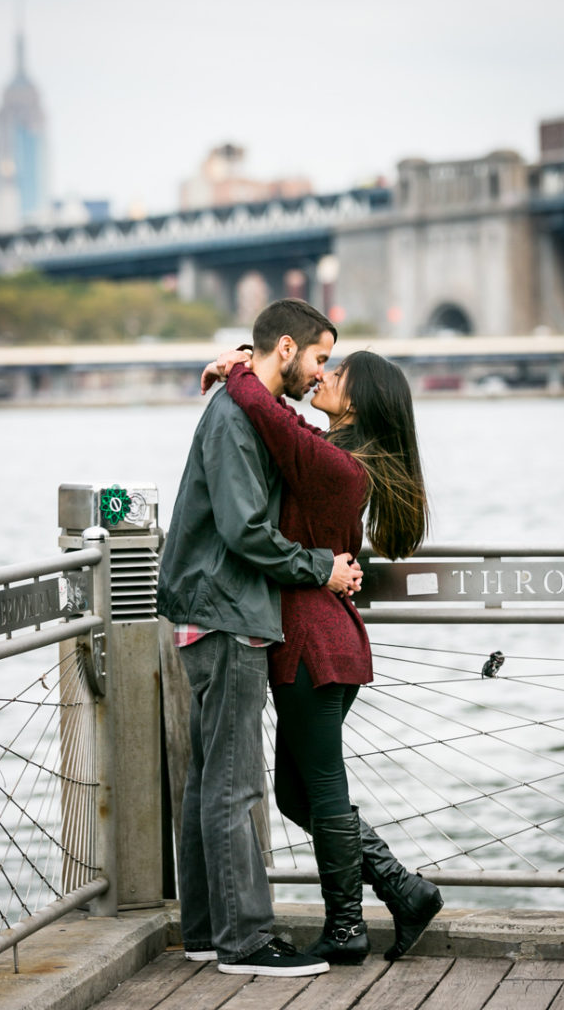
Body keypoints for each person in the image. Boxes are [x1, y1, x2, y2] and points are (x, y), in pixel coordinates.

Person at [202, 347, 444, 965]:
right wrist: (242, 376)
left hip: (315, 641)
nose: (321, 376)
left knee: (325, 792)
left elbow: (270, 416)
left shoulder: (338, 466)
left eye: (334, 375)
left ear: (357, 401)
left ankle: (346, 928)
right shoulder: (334, 454)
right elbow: (284, 423)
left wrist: (237, 371)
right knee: (296, 796)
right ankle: (401, 887)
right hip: (321, 638)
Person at [156, 299, 363, 978]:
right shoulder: (234, 419)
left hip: (212, 606)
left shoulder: (239, 411)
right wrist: (322, 569)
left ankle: (205, 932)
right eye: (319, 359)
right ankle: (245, 942)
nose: (319, 373)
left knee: (206, 780)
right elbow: (247, 531)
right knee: (235, 783)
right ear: (284, 348)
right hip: (229, 610)